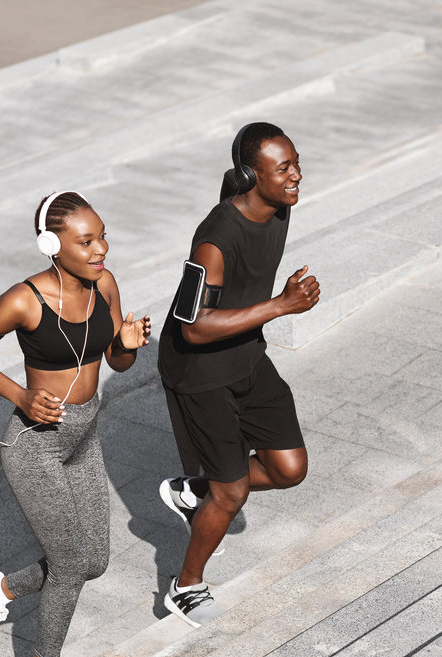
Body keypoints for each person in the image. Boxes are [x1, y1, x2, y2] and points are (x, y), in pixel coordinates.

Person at [0, 190, 150, 657]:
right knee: (69, 560)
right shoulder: (25, 299)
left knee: (95, 561)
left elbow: (116, 363)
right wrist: (19, 395)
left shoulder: (104, 283)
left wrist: (126, 344)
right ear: (50, 244)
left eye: (102, 235)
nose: (100, 248)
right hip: (35, 445)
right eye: (85, 241)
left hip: (84, 435)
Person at [156, 122, 320, 627]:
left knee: (289, 468)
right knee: (233, 492)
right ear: (252, 176)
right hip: (199, 371)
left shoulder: (279, 204)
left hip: (246, 355)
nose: (297, 175)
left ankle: (195, 492)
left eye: (296, 162)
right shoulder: (215, 240)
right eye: (284, 168)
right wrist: (281, 305)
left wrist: (274, 306)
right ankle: (185, 586)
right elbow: (194, 327)